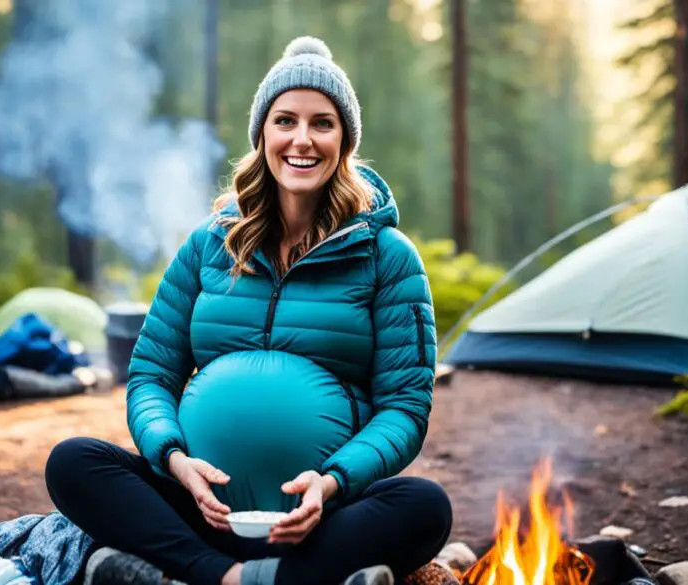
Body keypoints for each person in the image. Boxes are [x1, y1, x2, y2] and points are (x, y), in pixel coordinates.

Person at [44, 36, 453, 585]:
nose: (302, 140)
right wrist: (174, 459)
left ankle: (204, 576)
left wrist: (331, 483)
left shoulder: (387, 258)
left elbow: (404, 407)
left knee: (425, 506)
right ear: (262, 134)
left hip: (319, 516)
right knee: (73, 462)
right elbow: (149, 375)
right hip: (199, 504)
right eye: (285, 120)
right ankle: (238, 576)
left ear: (345, 141)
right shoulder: (209, 245)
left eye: (322, 123)